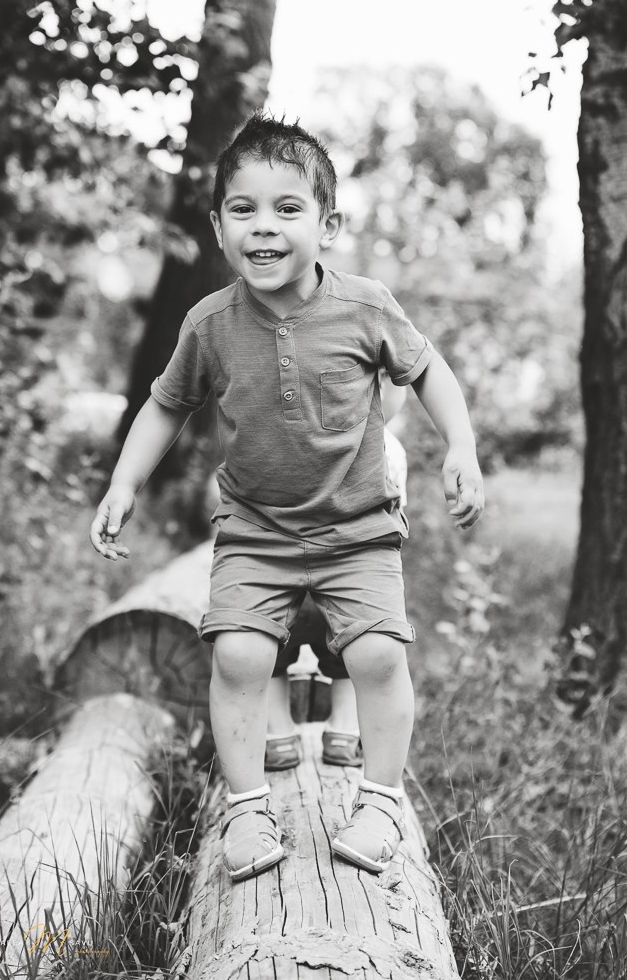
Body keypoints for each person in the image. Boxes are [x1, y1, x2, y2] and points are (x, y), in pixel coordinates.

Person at [90, 112, 484, 883]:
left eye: (288, 208)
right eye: (244, 209)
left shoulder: (366, 306)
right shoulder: (210, 324)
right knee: (238, 656)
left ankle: (380, 802)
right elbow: (166, 404)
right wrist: (123, 482)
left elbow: (428, 371)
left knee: (376, 655)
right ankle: (247, 808)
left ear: (327, 225)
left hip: (359, 529)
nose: (264, 226)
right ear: (217, 227)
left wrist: (460, 446)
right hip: (255, 531)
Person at [265, 372, 408, 772]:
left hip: (282, 581)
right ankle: (343, 734)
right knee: (353, 657)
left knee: (268, 656)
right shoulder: (389, 448)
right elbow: (391, 523)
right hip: (346, 586)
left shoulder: (290, 438)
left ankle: (277, 738)